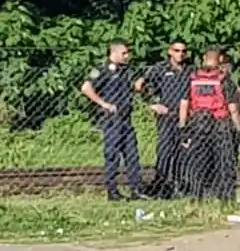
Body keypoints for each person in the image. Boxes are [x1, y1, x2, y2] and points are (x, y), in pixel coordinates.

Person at [80, 40, 145, 201]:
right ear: (113, 52)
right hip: (112, 120)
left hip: (126, 118)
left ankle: (136, 189)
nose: (127, 56)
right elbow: (86, 87)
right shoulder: (101, 70)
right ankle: (112, 191)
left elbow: (131, 89)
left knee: (132, 155)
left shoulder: (126, 71)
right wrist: (104, 104)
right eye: (123, 53)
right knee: (112, 155)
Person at [178, 47, 240, 201]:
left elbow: (184, 104)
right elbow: (233, 108)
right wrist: (239, 128)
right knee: (224, 162)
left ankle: (198, 195)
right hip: (220, 124)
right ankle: (225, 197)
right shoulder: (224, 80)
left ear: (204, 58)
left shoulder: (193, 78)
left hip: (198, 124)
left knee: (199, 161)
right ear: (220, 59)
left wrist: (183, 126)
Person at [136, 40, 193, 198]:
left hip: (186, 115)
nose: (180, 54)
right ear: (170, 51)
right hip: (167, 116)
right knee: (165, 150)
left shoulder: (190, 69)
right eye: (176, 50)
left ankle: (180, 184)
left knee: (183, 151)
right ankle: (160, 184)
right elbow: (140, 85)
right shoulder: (160, 69)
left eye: (183, 51)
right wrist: (152, 104)